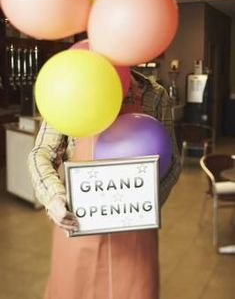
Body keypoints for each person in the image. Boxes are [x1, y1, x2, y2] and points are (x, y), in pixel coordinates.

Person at [28, 69, 181, 299]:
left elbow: (173, 163)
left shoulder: (155, 95)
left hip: (135, 240)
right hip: (78, 226)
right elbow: (40, 153)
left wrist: (143, 203)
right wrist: (54, 198)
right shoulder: (69, 87)